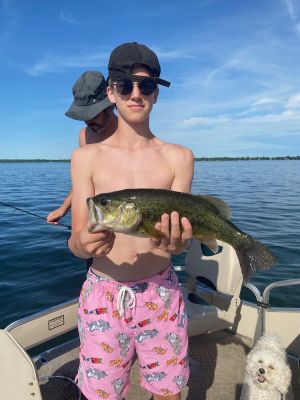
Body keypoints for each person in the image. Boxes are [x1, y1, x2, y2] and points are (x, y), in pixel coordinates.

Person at [68, 42, 194, 400]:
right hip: (103, 295)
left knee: (169, 392)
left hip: (162, 294)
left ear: (156, 92)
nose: (135, 94)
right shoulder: (85, 158)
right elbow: (77, 239)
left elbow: (178, 238)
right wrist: (82, 245)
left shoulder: (180, 158)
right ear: (111, 91)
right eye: (125, 85)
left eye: (146, 85)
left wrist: (177, 244)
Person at [47, 71, 117, 225]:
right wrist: (63, 209)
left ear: (110, 106)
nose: (87, 121)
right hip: (97, 218)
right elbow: (82, 181)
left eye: (92, 114)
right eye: (83, 115)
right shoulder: (85, 136)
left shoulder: (129, 133)